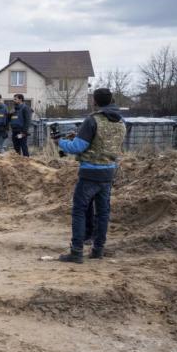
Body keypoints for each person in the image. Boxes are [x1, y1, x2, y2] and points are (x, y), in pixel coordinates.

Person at [56, 88, 126, 263]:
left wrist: (60, 142)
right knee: (103, 212)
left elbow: (77, 148)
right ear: (112, 100)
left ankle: (77, 251)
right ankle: (97, 250)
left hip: (89, 172)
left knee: (79, 210)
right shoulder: (121, 122)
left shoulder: (92, 120)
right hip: (109, 172)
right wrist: (80, 137)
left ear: (94, 101)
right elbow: (108, 144)